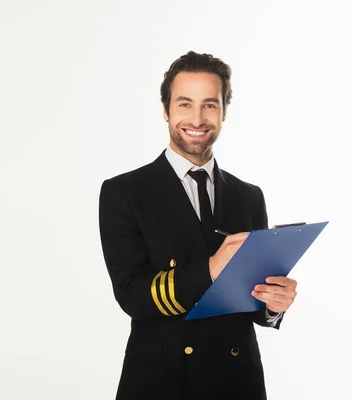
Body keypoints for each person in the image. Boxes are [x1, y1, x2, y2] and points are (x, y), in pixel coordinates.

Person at [98, 51, 298, 399]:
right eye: (185, 104)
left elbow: (250, 298)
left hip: (238, 382)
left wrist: (272, 306)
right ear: (165, 109)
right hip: (162, 382)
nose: (197, 118)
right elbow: (132, 295)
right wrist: (210, 268)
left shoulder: (249, 196)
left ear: (223, 112)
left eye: (209, 105)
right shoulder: (124, 191)